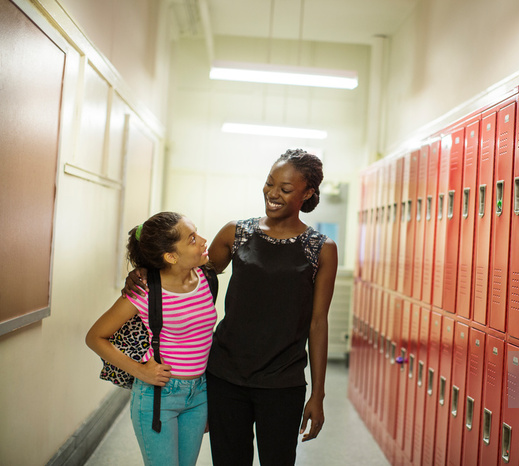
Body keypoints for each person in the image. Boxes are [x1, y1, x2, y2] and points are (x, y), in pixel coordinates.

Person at [124, 149, 338, 465]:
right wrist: (146, 269)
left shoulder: (321, 249)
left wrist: (318, 394)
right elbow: (188, 270)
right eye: (269, 183)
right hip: (226, 377)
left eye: (286, 189)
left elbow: (318, 322)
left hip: (283, 382)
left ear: (307, 193)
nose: (273, 194)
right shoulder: (235, 234)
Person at [87, 212, 218, 466]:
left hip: (199, 394)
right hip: (158, 397)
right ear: (171, 256)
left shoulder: (206, 277)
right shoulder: (145, 290)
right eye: (192, 239)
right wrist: (141, 371)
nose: (203, 241)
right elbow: (95, 337)